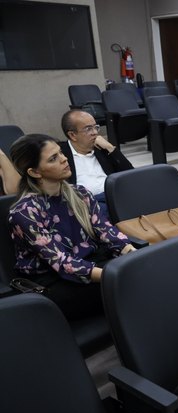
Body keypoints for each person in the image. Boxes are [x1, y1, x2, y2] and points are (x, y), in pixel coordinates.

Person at [8, 134, 136, 321]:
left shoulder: (80, 193)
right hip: (54, 279)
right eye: (53, 158)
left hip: (90, 262)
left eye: (60, 152)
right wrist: (117, 276)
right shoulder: (25, 212)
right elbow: (62, 263)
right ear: (35, 172)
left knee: (145, 268)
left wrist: (133, 254)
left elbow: (107, 231)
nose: (64, 158)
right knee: (128, 286)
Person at [59, 110, 134, 213]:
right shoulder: (61, 155)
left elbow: (131, 174)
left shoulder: (102, 148)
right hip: (87, 204)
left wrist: (111, 148)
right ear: (72, 135)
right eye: (88, 129)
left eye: (96, 127)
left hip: (115, 196)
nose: (95, 132)